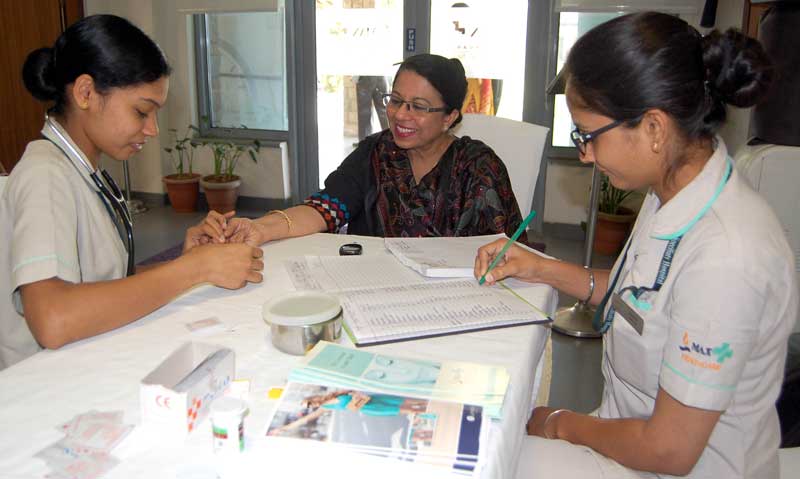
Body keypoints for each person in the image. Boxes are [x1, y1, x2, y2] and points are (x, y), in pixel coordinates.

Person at [474, 12, 798, 478]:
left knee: (491, 458)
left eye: (588, 135)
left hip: (675, 467)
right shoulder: (670, 191)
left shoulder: (728, 256)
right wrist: (539, 266)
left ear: (653, 128)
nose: (584, 154)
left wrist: (560, 423)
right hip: (628, 437)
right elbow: (641, 299)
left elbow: (669, 450)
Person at [0, 15, 264, 370]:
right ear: (85, 93)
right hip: (48, 379)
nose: (152, 129)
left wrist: (180, 262)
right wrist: (193, 270)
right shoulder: (44, 174)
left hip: (87, 358)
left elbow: (103, 284)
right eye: (142, 111)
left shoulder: (83, 170)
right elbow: (53, 319)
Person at [199, 53, 525, 245]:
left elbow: (505, 252)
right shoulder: (376, 153)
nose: (399, 115)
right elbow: (325, 209)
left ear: (450, 117)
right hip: (375, 293)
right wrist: (256, 228)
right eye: (396, 100)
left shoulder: (478, 167)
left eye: (418, 106)